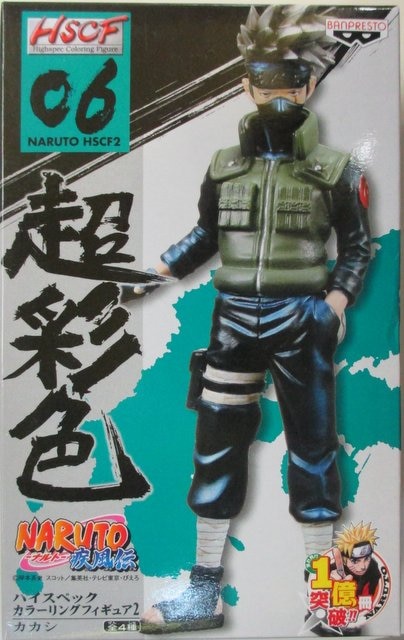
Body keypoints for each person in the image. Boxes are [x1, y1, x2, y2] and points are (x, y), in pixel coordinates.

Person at [133, 5, 371, 634]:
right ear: (246, 84)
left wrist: (335, 304)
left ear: (310, 84)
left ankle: (326, 595)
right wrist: (157, 273)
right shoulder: (223, 166)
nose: (277, 92)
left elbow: (357, 248)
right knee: (216, 447)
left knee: (314, 450)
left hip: (302, 319)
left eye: (290, 78)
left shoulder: (337, 170)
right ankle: (202, 595)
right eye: (264, 79)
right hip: (233, 321)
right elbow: (206, 236)